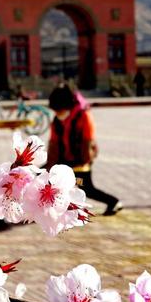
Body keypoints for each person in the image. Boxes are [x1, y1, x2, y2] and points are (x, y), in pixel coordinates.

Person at [46, 84, 122, 216]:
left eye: (59, 110)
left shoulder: (83, 116)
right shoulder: (57, 120)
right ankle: (52, 209)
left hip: (80, 161)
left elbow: (88, 140)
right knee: (47, 179)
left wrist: (83, 161)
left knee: (85, 187)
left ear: (68, 106)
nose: (57, 114)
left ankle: (114, 202)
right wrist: (50, 165)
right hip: (62, 160)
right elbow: (53, 143)